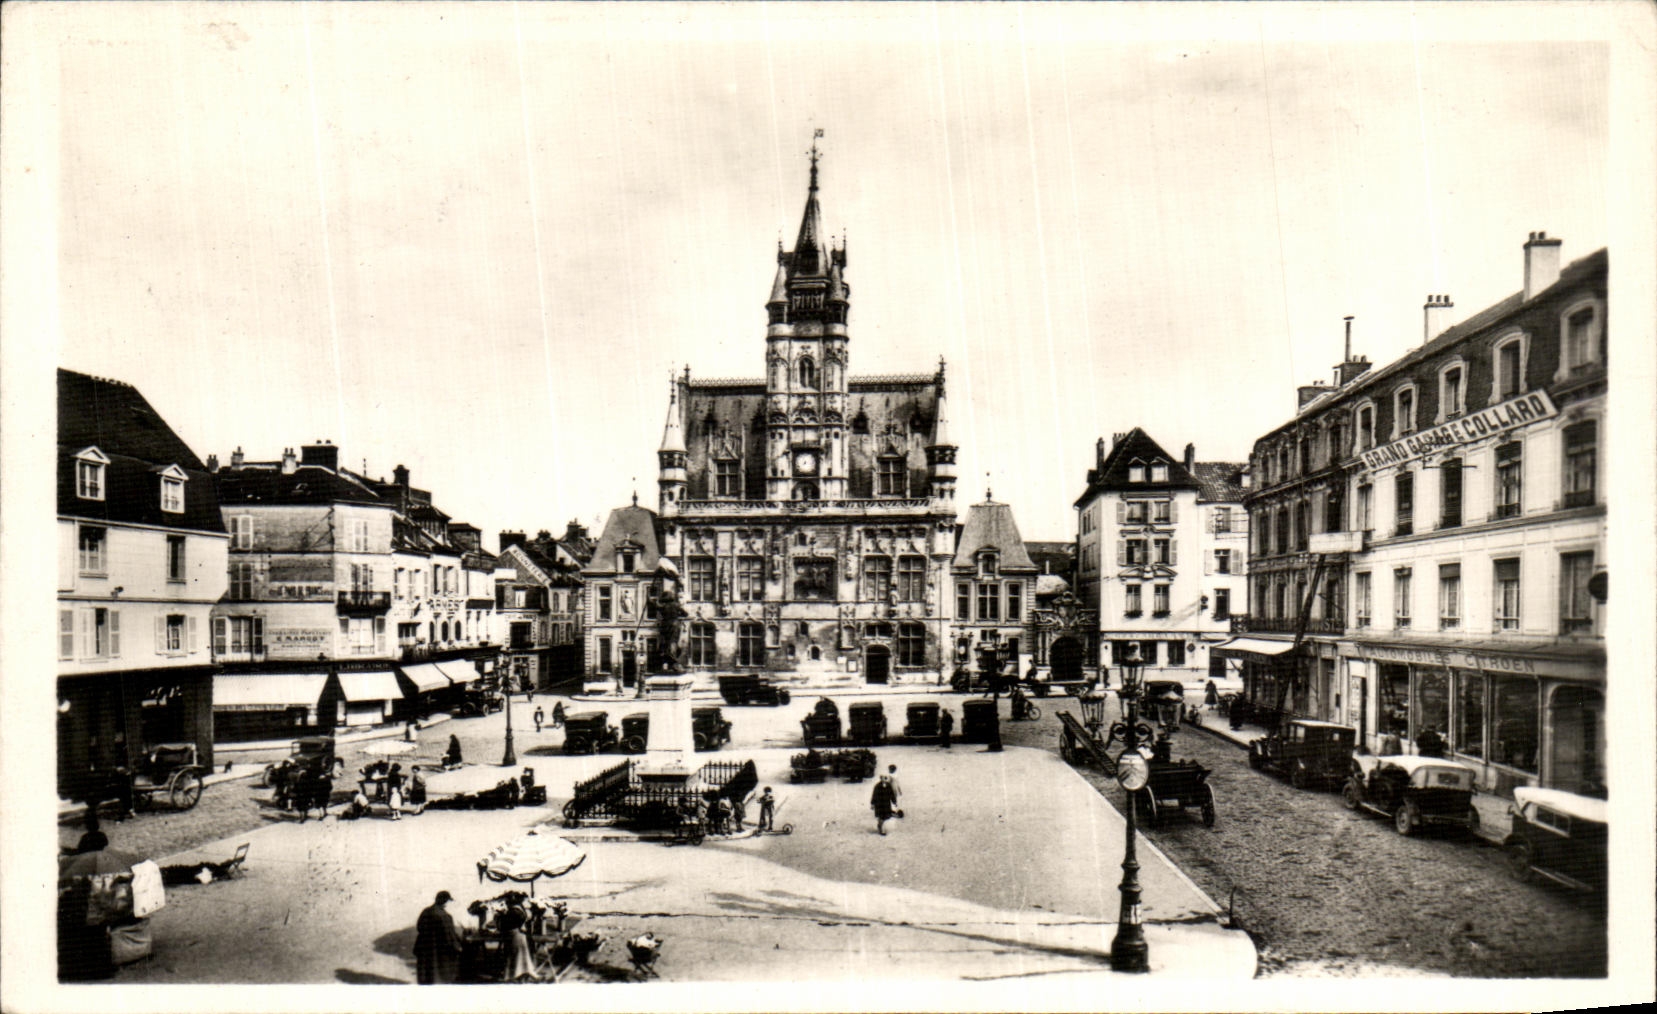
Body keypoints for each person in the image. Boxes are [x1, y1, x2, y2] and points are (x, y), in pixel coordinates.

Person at [413, 890, 465, 984]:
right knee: (440, 973)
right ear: (444, 901)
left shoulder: (426, 911)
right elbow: (449, 935)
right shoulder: (445, 916)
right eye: (448, 901)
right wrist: (458, 945)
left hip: (425, 948)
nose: (448, 904)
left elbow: (419, 927)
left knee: (427, 973)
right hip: (440, 949)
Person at [501, 900, 536, 981]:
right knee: (520, 951)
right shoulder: (514, 911)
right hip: (516, 935)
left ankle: (522, 972)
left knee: (522, 951)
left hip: (516, 935)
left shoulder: (516, 910)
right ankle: (520, 973)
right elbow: (518, 921)